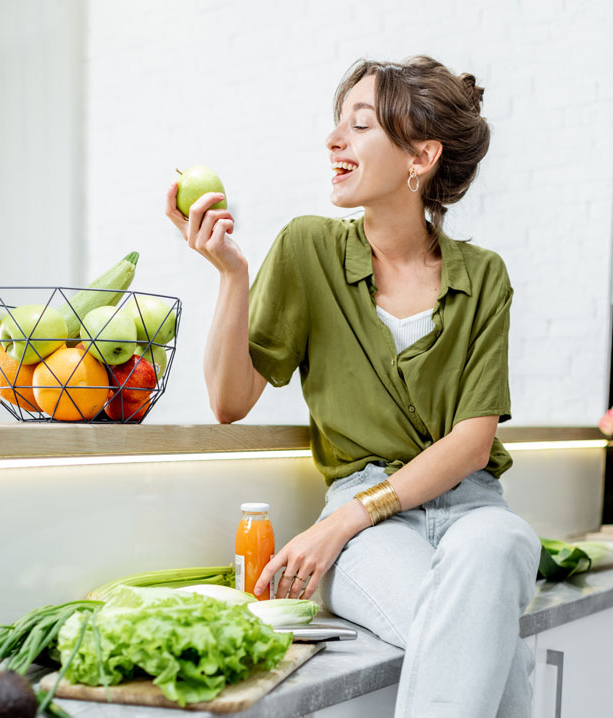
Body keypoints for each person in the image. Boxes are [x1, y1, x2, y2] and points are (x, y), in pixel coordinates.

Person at [166, 55, 542, 718]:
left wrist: (340, 522)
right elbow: (229, 402)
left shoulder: (484, 276)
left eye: (359, 125)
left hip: (451, 511)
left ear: (420, 157)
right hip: (372, 539)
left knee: (503, 544)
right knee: (480, 625)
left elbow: (471, 445)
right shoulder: (307, 249)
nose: (333, 140)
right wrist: (230, 275)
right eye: (337, 124)